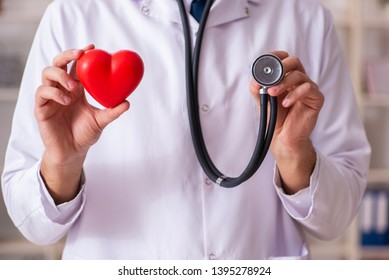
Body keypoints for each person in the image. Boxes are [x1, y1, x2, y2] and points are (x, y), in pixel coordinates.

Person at [1, 0, 371, 260]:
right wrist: (63, 161)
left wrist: (295, 157)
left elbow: (336, 218)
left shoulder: (304, 16)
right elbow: (33, 225)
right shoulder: (72, 14)